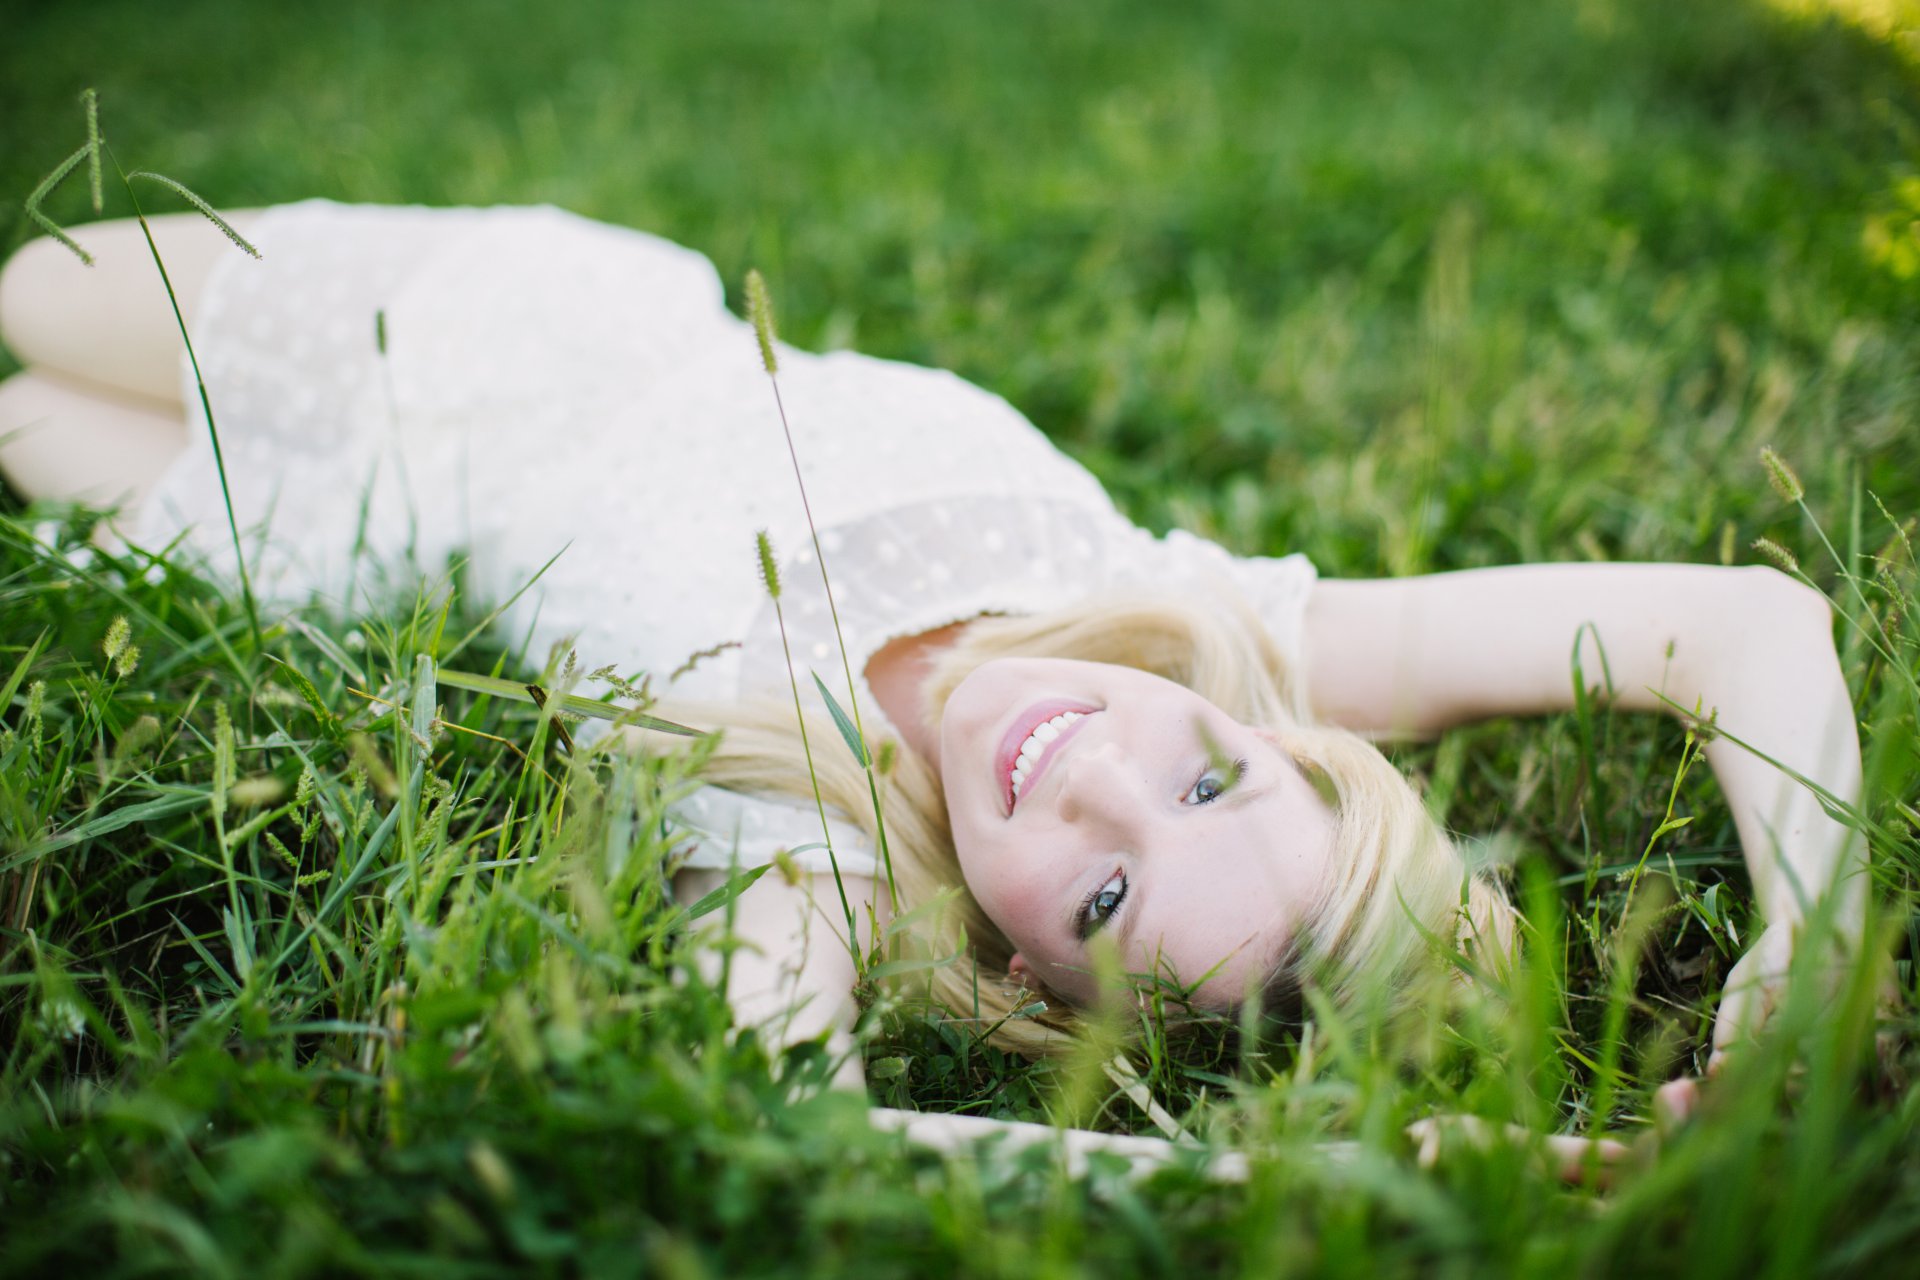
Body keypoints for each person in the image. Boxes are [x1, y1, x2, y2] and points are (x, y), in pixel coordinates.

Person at [0, 203, 1868, 1130]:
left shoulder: (808, 854)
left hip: (363, 531)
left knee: (19, 426)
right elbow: (1748, 623)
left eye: (1114, 886)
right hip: (523, 318)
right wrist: (1817, 952)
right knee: (31, 284)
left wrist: (1453, 1179)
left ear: (1036, 982)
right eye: (1207, 771)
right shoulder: (1205, 611)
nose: (1090, 773)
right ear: (1276, 731)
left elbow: (815, 1124)